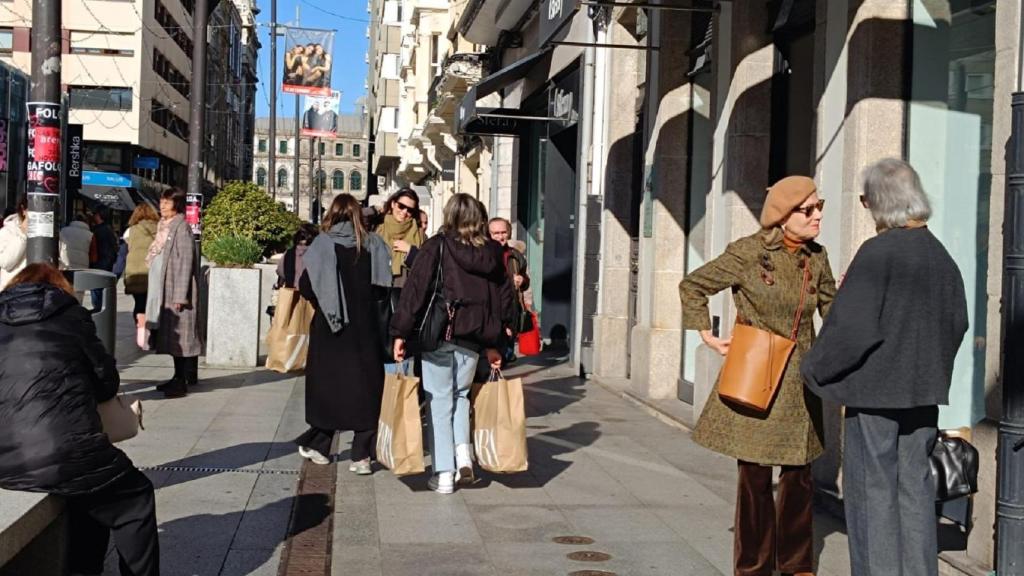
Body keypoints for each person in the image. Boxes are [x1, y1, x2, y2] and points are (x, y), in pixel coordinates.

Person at [801, 159, 968, 576]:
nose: (866, 207)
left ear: (881, 201)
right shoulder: (939, 253)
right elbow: (958, 323)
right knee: (915, 489)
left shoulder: (878, 252)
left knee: (871, 493)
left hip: (876, 394)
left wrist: (814, 369)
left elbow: (850, 329)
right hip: (923, 393)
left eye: (866, 200)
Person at [678, 176, 837, 576]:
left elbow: (831, 312)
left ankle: (797, 565)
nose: (818, 215)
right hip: (758, 373)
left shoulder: (817, 257)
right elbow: (693, 285)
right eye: (808, 209)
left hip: (801, 379)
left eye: (820, 207)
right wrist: (708, 336)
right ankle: (752, 567)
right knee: (754, 477)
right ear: (783, 216)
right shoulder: (749, 252)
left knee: (799, 475)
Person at [0, 263, 159, 576]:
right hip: (61, 454)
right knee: (134, 498)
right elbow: (107, 384)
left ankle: (84, 568)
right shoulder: (71, 317)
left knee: (90, 490)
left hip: (4, 460)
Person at [391, 193, 514, 494]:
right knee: (461, 397)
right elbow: (503, 299)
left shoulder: (438, 246)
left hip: (439, 334)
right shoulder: (492, 254)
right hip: (474, 338)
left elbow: (415, 291)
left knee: (439, 400)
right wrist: (495, 342)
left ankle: (444, 472)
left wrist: (400, 332)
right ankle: (463, 455)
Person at [295, 194, 390, 472]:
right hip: (366, 327)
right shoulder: (373, 244)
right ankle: (360, 456)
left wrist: (328, 301)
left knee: (329, 387)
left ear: (332, 214)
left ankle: (320, 444)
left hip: (330, 328)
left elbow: (306, 286)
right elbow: (382, 286)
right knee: (368, 387)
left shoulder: (322, 245)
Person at [146, 188, 202, 399]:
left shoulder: (181, 228)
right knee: (170, 337)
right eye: (161, 202)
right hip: (165, 288)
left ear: (176, 205)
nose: (162, 206)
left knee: (181, 339)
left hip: (175, 291)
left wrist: (180, 295)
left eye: (167, 203)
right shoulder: (164, 226)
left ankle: (181, 380)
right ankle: (177, 376)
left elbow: (186, 261)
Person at [377, 188, 424, 364]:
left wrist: (410, 251)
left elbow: (427, 265)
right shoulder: (378, 229)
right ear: (392, 204)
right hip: (379, 293)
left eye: (410, 209)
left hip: (405, 295)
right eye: (401, 206)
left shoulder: (418, 233)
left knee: (402, 355)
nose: (404, 212)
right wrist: (377, 209)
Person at [488, 217, 530, 363]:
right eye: (496, 233)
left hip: (511, 312)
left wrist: (522, 280)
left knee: (506, 359)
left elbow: (526, 280)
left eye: (503, 232)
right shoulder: (484, 255)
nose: (500, 237)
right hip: (491, 314)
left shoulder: (516, 256)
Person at [124, 204, 160, 347]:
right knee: (154, 305)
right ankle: (154, 336)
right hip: (153, 271)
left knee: (139, 304)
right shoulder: (160, 229)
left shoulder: (130, 231)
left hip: (135, 272)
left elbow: (125, 250)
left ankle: (141, 334)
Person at [89, 208, 119, 310]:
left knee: (96, 287)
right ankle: (102, 308)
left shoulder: (97, 230)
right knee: (102, 287)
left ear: (99, 216)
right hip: (108, 261)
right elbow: (114, 246)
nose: (93, 216)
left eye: (95, 214)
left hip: (99, 261)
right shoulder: (109, 229)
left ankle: (97, 308)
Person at [276, 223, 319, 289]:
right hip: (313, 296)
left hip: (291, 295)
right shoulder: (318, 254)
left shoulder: (289, 253)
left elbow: (281, 272)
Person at [0, 195, 27, 291]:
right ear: (23, 210)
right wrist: (23, 235)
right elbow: (6, 263)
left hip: (38, 291)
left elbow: (64, 264)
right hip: (13, 293)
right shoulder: (7, 231)